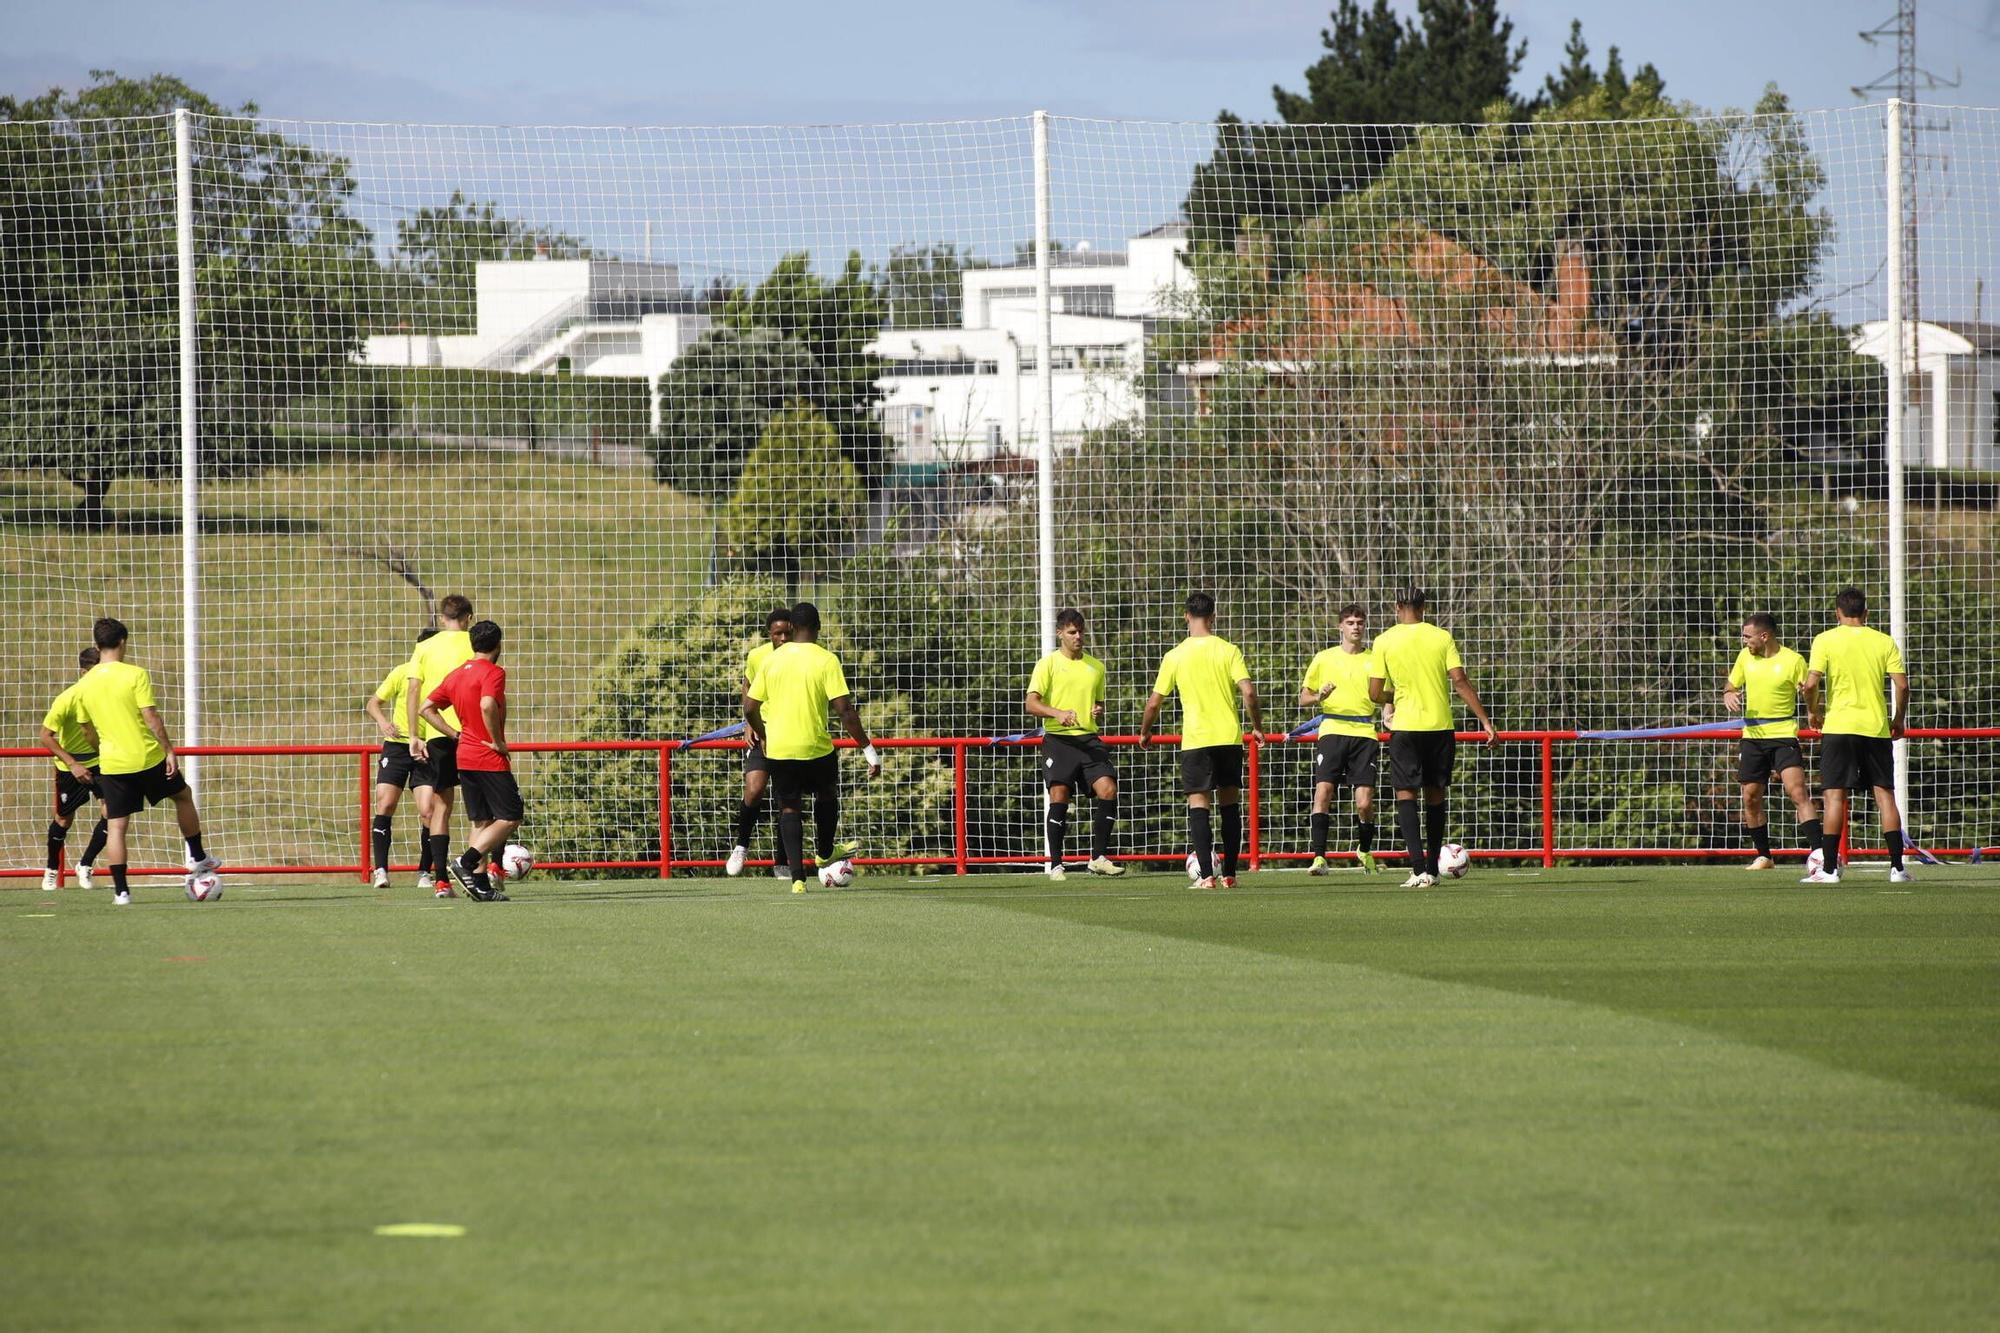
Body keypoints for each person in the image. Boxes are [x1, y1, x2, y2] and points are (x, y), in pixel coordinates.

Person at [72, 617, 219, 906]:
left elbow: (86, 730)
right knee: (183, 795)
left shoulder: (84, 684)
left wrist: (103, 748)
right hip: (147, 757)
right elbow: (150, 717)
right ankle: (198, 858)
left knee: (116, 826)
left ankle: (121, 893)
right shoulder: (135, 674)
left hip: (113, 763)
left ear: (98, 644)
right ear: (123, 642)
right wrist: (169, 749)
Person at [743, 601, 879, 894]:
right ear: (818, 629)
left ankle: (797, 880)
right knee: (827, 793)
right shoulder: (826, 660)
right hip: (816, 748)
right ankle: (825, 851)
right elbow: (845, 711)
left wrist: (763, 732)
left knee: (789, 808)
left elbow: (750, 706)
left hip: (779, 750)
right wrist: (868, 749)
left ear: (790, 627)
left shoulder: (771, 660)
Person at [1367, 587, 1497, 888]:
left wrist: (1396, 696)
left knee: (1405, 794)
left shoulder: (1384, 640)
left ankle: (1418, 869)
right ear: (1424, 607)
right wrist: (1486, 722)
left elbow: (1374, 693)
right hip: (1439, 727)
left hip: (1406, 729)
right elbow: (1460, 681)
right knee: (1436, 795)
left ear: (1397, 606)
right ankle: (1434, 871)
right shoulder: (1441, 637)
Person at [1139, 592, 1262, 890]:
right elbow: (1248, 692)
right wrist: (1257, 726)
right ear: (1214, 616)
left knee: (1199, 806)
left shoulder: (1175, 655)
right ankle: (1230, 873)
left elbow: (1154, 703)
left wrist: (1145, 732)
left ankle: (1206, 876)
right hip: (1228, 738)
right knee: (1230, 805)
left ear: (1185, 616)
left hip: (1196, 740)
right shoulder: (1228, 650)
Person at [1801, 587, 1910, 885]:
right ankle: (1898, 868)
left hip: (1838, 728)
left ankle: (1830, 870)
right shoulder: (1883, 641)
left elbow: (1810, 685)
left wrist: (1813, 712)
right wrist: (1897, 720)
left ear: (1837, 613)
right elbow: (1902, 686)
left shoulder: (1825, 639)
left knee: (1835, 796)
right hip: (1875, 728)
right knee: (1885, 795)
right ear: (1866, 613)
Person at [421, 620, 520, 903]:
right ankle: (466, 862)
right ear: (498, 645)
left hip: (464, 756)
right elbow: (488, 704)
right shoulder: (493, 672)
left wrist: (455, 734)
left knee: (481, 820)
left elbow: (426, 708)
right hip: (488, 756)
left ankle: (479, 886)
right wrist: (497, 741)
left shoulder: (456, 674)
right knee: (511, 815)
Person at [1025, 607, 1125, 880]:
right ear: (1060, 634)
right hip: (1058, 740)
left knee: (1108, 789)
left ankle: (1098, 858)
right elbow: (1031, 703)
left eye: (1080, 631)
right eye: (1072, 632)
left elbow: (1099, 701)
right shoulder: (1047, 664)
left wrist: (1097, 708)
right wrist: (1058, 713)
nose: (1078, 636)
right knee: (1059, 796)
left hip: (1088, 739)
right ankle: (1056, 864)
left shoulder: (1096, 667)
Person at [1721, 612, 1815, 871]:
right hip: (1753, 738)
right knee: (1750, 797)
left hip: (1783, 735)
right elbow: (1730, 686)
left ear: (1765, 636)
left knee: (1797, 792)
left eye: (1747, 636)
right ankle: (1764, 856)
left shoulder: (1793, 660)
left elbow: (1809, 690)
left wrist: (1811, 708)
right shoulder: (1745, 657)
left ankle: (1820, 854)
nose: (1744, 641)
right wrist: (1728, 694)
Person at [1299, 603, 1385, 876]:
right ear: (1340, 626)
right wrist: (1319, 697)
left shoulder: (1375, 659)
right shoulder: (1324, 658)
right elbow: (1304, 698)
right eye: (1350, 622)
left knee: (1364, 802)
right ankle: (1320, 858)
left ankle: (1364, 848)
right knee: (1323, 791)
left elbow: (1385, 694)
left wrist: (1390, 712)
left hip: (1364, 733)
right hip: (1333, 730)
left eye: (1360, 622)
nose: (1355, 627)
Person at [406, 595, 474, 895]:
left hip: (436, 734)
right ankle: (479, 875)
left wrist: (413, 735)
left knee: (440, 808)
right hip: (472, 734)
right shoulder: (476, 641)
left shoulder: (424, 646)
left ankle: (441, 882)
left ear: (442, 617)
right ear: (468, 617)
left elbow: (413, 692)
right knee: (480, 809)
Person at [365, 628, 439, 892]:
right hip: (397, 747)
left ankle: (424, 872)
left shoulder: (440, 676)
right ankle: (381, 871)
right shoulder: (402, 672)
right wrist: (384, 723)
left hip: (427, 749)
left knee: (428, 811)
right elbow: (373, 703)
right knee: (384, 803)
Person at [727, 606, 793, 880]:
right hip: (761, 733)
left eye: (787, 633)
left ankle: (781, 861)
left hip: (790, 735)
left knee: (786, 798)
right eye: (777, 633)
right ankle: (741, 846)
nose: (783, 638)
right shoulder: (758, 656)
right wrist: (747, 725)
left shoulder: (800, 657)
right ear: (770, 634)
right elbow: (748, 685)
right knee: (754, 789)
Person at [37, 646, 110, 891]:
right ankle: (51, 870)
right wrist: (73, 763)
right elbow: (46, 736)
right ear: (82, 673)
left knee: (114, 814)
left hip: (102, 761)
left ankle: (85, 864)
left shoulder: (107, 695)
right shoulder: (67, 698)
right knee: (63, 820)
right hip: (71, 766)